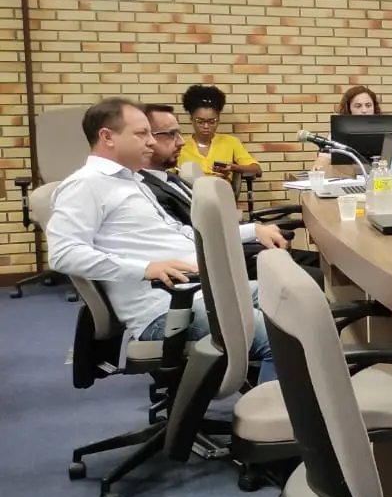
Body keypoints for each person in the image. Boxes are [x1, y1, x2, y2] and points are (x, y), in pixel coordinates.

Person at [47, 98, 281, 361]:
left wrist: (251, 231)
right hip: (166, 308)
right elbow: (63, 254)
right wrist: (146, 269)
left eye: (151, 133)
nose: (151, 142)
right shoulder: (85, 184)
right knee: (280, 340)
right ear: (107, 137)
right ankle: (274, 389)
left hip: (203, 290)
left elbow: (183, 233)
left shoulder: (132, 181)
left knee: (294, 301)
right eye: (141, 133)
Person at [140, 103, 323, 283]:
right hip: (217, 259)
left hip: (226, 229)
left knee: (322, 264)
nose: (181, 142)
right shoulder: (148, 191)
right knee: (318, 276)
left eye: (212, 121)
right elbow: (195, 238)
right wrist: (252, 232)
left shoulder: (172, 179)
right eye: (171, 134)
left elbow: (255, 169)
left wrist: (233, 169)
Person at [178, 84, 262, 179]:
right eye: (200, 121)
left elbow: (257, 170)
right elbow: (167, 173)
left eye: (212, 122)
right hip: (188, 188)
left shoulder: (230, 142)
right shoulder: (180, 144)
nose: (206, 126)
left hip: (220, 186)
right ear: (191, 119)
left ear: (218, 120)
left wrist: (233, 168)